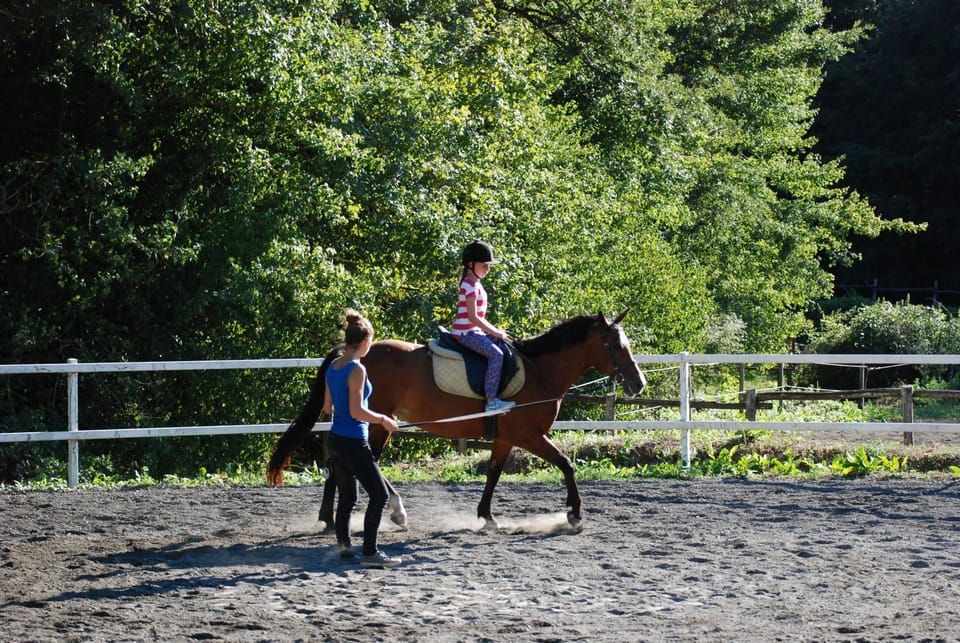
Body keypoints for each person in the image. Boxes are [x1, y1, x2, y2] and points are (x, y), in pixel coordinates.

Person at [322, 309, 402, 568]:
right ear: (366, 342)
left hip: (336, 439)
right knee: (378, 496)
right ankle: (370, 553)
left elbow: (327, 407)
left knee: (348, 497)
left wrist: (347, 409)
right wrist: (383, 420)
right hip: (355, 440)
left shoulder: (333, 366)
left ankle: (345, 548)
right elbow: (357, 411)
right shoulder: (357, 369)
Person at [451, 240, 516, 413]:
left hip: (474, 330)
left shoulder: (476, 284)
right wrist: (494, 331)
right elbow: (473, 317)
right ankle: (491, 401)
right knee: (496, 355)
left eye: (489, 265)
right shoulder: (469, 285)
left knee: (506, 344)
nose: (488, 269)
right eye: (484, 265)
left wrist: (497, 333)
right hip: (465, 333)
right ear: (471, 264)